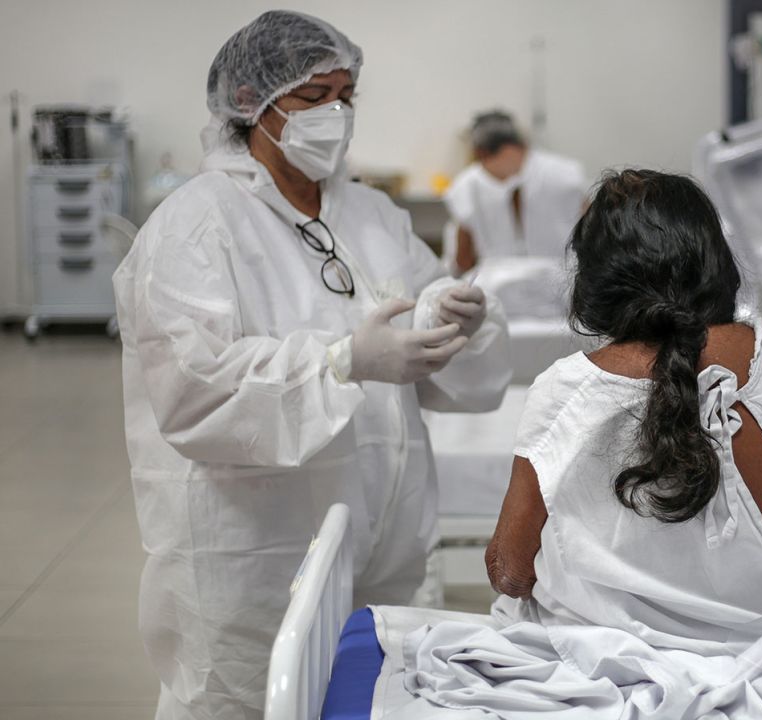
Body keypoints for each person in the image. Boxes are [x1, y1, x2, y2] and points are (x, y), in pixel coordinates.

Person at [112, 12, 511, 719]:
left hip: (383, 554)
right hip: (257, 565)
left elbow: (451, 367)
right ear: (251, 104)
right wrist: (340, 363)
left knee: (367, 698)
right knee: (250, 701)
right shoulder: (197, 225)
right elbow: (193, 392)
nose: (335, 115)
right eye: (313, 97)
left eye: (345, 96)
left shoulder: (371, 217)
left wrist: (463, 326)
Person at [482, 169, 762, 648]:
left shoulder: (565, 392)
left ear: (597, 277)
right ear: (715, 261)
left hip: (617, 665)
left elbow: (511, 574)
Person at [444, 110, 587, 274]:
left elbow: (463, 260)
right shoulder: (567, 173)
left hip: (495, 289)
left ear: (479, 152)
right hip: (564, 285)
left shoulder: (466, 185)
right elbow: (594, 234)